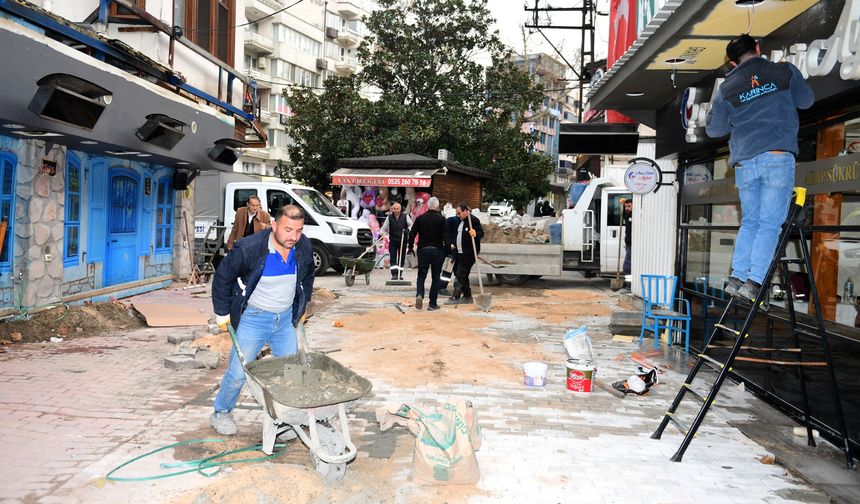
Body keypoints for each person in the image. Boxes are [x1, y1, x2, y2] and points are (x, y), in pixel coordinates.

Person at [706, 33, 814, 305]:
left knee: (751, 222)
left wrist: (738, 117)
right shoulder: (784, 71)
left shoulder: (727, 88)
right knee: (769, 224)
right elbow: (806, 101)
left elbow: (714, 129)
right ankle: (755, 283)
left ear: (732, 63)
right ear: (758, 48)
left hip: (745, 163)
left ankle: (737, 278)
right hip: (777, 157)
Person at [209, 204, 315, 435]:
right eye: (288, 230)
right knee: (238, 374)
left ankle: (287, 419)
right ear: (274, 225)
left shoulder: (303, 246)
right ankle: (221, 412)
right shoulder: (250, 248)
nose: (293, 237)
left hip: (285, 320)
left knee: (291, 372)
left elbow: (308, 274)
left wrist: (303, 304)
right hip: (253, 319)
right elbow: (223, 277)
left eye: (298, 231)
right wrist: (222, 312)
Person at [408, 197, 448, 311]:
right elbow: (446, 236)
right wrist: (449, 250)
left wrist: (410, 247)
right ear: (437, 206)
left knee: (421, 275)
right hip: (437, 250)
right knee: (435, 277)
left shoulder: (420, 218)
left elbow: (412, 234)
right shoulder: (442, 219)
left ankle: (419, 294)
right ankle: (432, 304)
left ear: (427, 206)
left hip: (423, 250)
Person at [446, 203, 484, 305]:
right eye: (456, 213)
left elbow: (481, 233)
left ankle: (460, 296)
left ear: (465, 211)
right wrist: (454, 244)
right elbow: (460, 236)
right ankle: (465, 295)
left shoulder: (473, 220)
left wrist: (475, 233)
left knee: (460, 274)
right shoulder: (461, 221)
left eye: (459, 213)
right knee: (462, 275)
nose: (457, 215)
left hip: (469, 253)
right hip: (460, 252)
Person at [379, 202, 413, 280]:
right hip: (393, 240)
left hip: (403, 240)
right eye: (394, 209)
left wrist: (408, 230)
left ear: (400, 209)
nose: (396, 210)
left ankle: (399, 274)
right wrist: (380, 234)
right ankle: (394, 274)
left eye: (397, 209)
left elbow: (411, 225)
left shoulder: (405, 216)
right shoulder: (389, 217)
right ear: (392, 209)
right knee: (393, 257)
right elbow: (384, 227)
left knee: (401, 257)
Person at [439, 210, 462, 296]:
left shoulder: (465, 223)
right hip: (450, 249)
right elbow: (444, 232)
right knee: (448, 270)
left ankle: (459, 288)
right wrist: (448, 243)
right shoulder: (451, 220)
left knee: (458, 271)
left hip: (460, 250)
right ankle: (441, 287)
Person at [621, 198, 632, 275]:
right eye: (626, 206)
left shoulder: (635, 214)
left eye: (629, 206)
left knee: (627, 264)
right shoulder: (627, 215)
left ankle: (628, 282)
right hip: (628, 242)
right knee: (629, 263)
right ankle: (628, 282)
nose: (627, 208)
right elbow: (622, 214)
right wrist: (622, 204)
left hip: (633, 243)